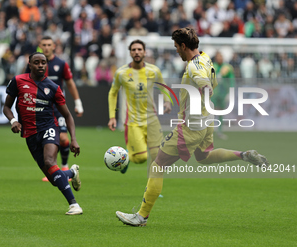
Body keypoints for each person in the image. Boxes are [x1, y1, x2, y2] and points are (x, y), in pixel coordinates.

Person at [116, 27, 268, 226]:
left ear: (183, 46)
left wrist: (205, 90)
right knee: (204, 157)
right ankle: (243, 155)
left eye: (176, 47)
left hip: (191, 126)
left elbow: (203, 82)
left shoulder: (193, 67)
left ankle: (141, 216)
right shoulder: (205, 57)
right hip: (207, 120)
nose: (176, 51)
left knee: (157, 165)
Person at [3, 52, 83, 215]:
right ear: (30, 64)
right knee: (55, 179)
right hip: (30, 134)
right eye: (37, 62)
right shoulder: (18, 81)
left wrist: (73, 139)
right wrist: (13, 121)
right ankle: (72, 173)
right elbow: (6, 107)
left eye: (43, 62)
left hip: (49, 128)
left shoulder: (53, 88)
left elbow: (67, 115)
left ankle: (74, 204)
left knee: (49, 161)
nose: (40, 65)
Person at [108, 39, 171, 174]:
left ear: (144, 52)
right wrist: (112, 117)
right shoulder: (122, 73)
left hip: (152, 119)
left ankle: (151, 193)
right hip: (133, 122)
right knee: (142, 158)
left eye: (139, 49)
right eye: (134, 50)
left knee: (159, 160)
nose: (136, 52)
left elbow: (163, 86)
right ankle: (126, 157)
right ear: (130, 53)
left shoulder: (153, 70)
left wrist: (167, 101)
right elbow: (113, 93)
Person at [26, 35, 84, 182]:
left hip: (56, 107)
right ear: (40, 45)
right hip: (41, 109)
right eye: (43, 45)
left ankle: (65, 167)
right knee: (43, 141)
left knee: (64, 139)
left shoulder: (61, 64)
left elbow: (70, 83)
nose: (46, 47)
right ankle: (53, 169)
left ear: (54, 46)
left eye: (49, 45)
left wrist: (78, 102)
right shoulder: (33, 64)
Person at [212, 51, 235, 140]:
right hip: (213, 93)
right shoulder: (212, 66)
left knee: (221, 112)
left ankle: (220, 131)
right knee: (210, 112)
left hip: (223, 93)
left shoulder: (227, 68)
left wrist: (230, 92)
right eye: (218, 57)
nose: (219, 58)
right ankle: (208, 131)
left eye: (221, 56)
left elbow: (231, 80)